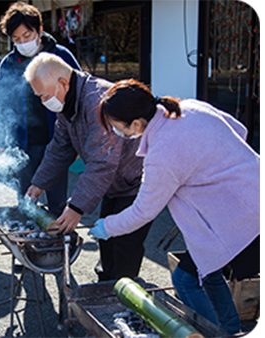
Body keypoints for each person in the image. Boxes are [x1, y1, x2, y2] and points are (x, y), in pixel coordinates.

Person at [90, 79, 260, 334]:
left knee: (185, 279)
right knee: (208, 270)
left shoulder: (162, 153)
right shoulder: (191, 107)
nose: (118, 133)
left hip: (245, 220)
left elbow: (143, 212)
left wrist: (107, 226)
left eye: (117, 127)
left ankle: (209, 334)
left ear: (136, 124)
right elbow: (240, 131)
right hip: (255, 194)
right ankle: (229, 331)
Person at [23, 53, 152, 281]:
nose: (43, 102)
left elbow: (103, 161)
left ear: (63, 83)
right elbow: (60, 147)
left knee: (124, 248)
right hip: (114, 184)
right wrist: (38, 183)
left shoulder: (97, 101)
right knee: (107, 243)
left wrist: (77, 208)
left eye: (44, 95)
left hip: (136, 181)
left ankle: (124, 301)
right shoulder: (67, 103)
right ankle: (105, 292)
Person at [0, 2, 80, 217]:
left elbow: (79, 97)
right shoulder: (9, 63)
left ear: (39, 30)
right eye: (16, 39)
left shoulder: (61, 56)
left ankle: (59, 244)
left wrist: (78, 142)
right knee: (27, 203)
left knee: (57, 203)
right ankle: (31, 243)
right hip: (22, 144)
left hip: (57, 142)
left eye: (27, 35)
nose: (22, 43)